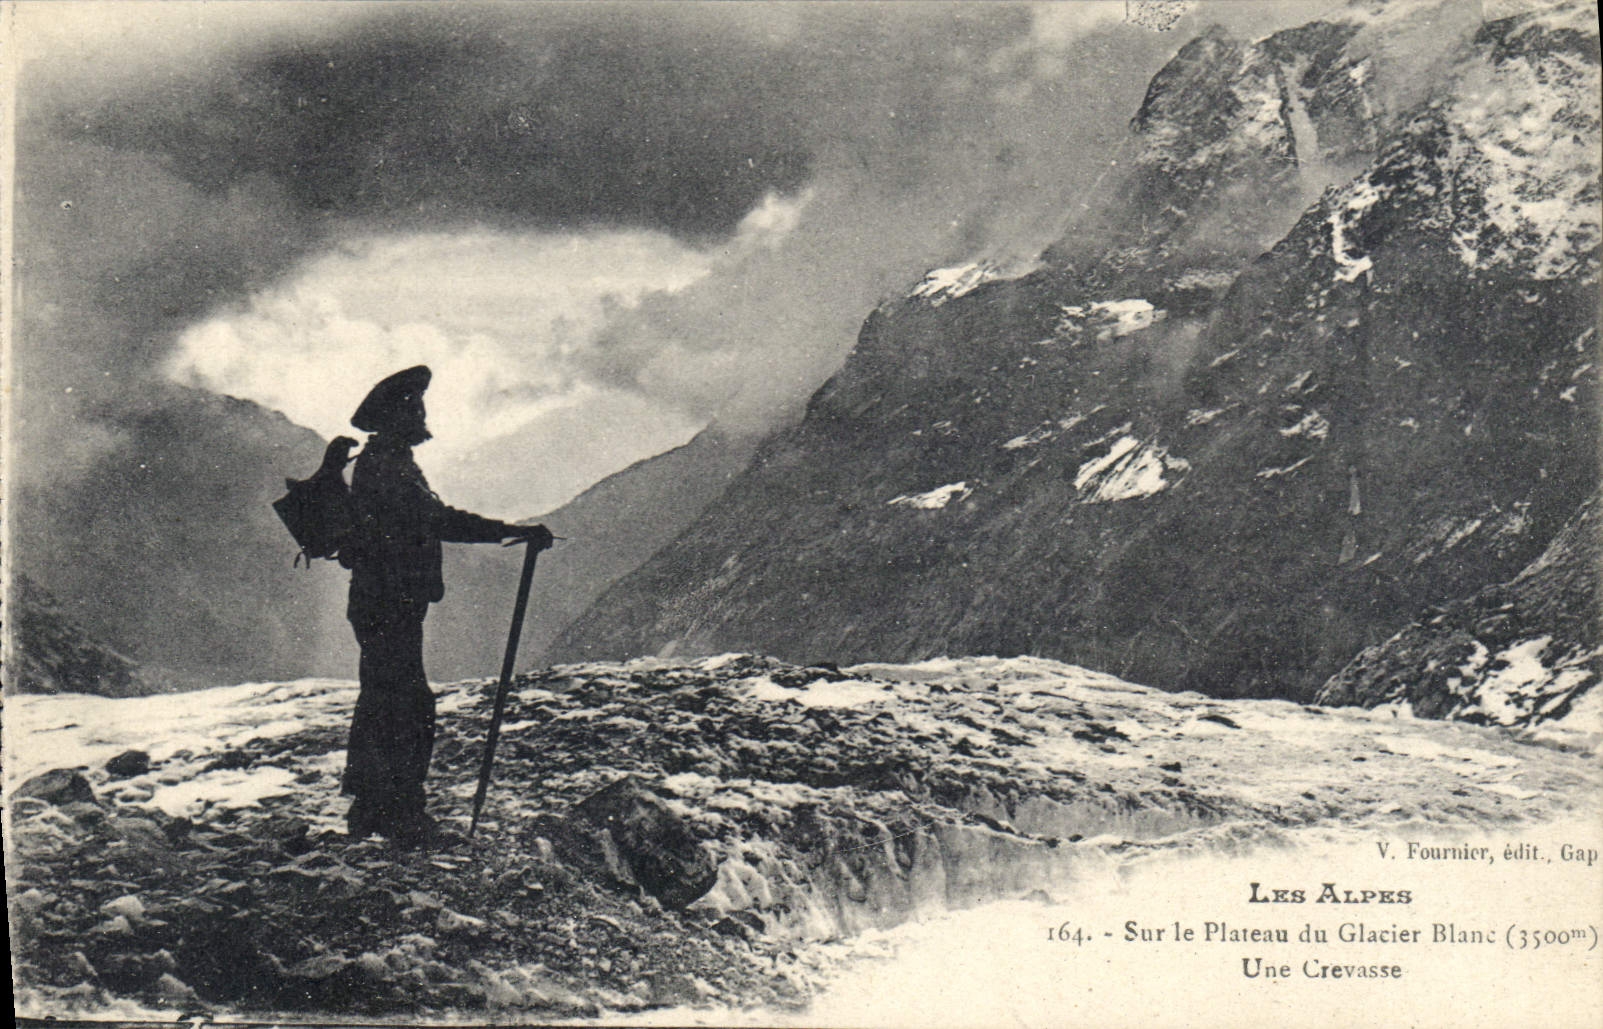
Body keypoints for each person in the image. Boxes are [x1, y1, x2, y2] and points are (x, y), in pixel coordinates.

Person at [339, 365, 553, 846]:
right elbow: (438, 520)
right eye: (413, 409)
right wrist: (509, 530)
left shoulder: (387, 463)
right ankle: (402, 814)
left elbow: (430, 519)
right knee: (407, 703)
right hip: (388, 602)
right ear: (396, 417)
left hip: (383, 600)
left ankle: (372, 808)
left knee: (385, 699)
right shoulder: (388, 467)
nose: (421, 416)